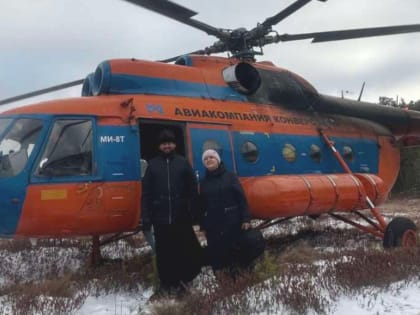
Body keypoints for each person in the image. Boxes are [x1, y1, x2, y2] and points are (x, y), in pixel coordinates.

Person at [141, 129, 202, 295]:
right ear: (160, 146)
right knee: (164, 253)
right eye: (163, 143)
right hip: (160, 218)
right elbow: (146, 193)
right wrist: (145, 216)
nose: (167, 145)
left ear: (174, 144)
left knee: (183, 249)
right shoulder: (152, 165)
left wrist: (193, 210)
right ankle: (167, 283)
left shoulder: (183, 163)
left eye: (169, 142)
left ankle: (185, 281)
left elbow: (192, 190)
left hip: (180, 216)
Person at [199, 149, 252, 278]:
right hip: (214, 224)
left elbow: (241, 198)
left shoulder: (230, 176)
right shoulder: (204, 182)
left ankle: (241, 278)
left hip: (232, 221)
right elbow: (202, 206)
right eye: (206, 159)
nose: (209, 160)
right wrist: (203, 226)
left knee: (235, 250)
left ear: (217, 160)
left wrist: (246, 219)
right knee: (217, 253)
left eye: (211, 157)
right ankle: (223, 282)